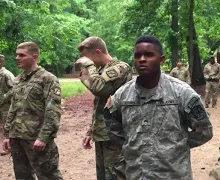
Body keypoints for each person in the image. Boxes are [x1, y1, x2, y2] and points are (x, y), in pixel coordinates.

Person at [106, 35, 213, 180]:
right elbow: (112, 127)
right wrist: (133, 144)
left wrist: (177, 145)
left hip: (174, 174)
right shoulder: (122, 95)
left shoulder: (181, 93)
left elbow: (204, 131)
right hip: (137, 174)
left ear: (161, 59)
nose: (142, 59)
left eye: (149, 55)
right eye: (138, 55)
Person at [2, 42, 63, 179]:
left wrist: (43, 137)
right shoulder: (18, 79)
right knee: (22, 176)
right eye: (17, 54)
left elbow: (53, 110)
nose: (17, 58)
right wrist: (7, 134)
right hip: (17, 138)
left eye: (22, 55)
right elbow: (13, 108)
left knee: (48, 176)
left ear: (34, 57)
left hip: (36, 139)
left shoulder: (47, 79)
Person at [75, 36, 131, 180]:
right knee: (103, 175)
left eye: (86, 58)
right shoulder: (101, 70)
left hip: (116, 134)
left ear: (98, 52)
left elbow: (99, 88)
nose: (85, 62)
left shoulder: (120, 67)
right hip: (103, 133)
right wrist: (91, 131)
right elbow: (100, 104)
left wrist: (89, 66)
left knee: (116, 174)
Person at [0, 54, 15, 156]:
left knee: (7, 126)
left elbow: (14, 88)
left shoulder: (6, 74)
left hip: (5, 106)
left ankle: (9, 147)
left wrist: (4, 98)